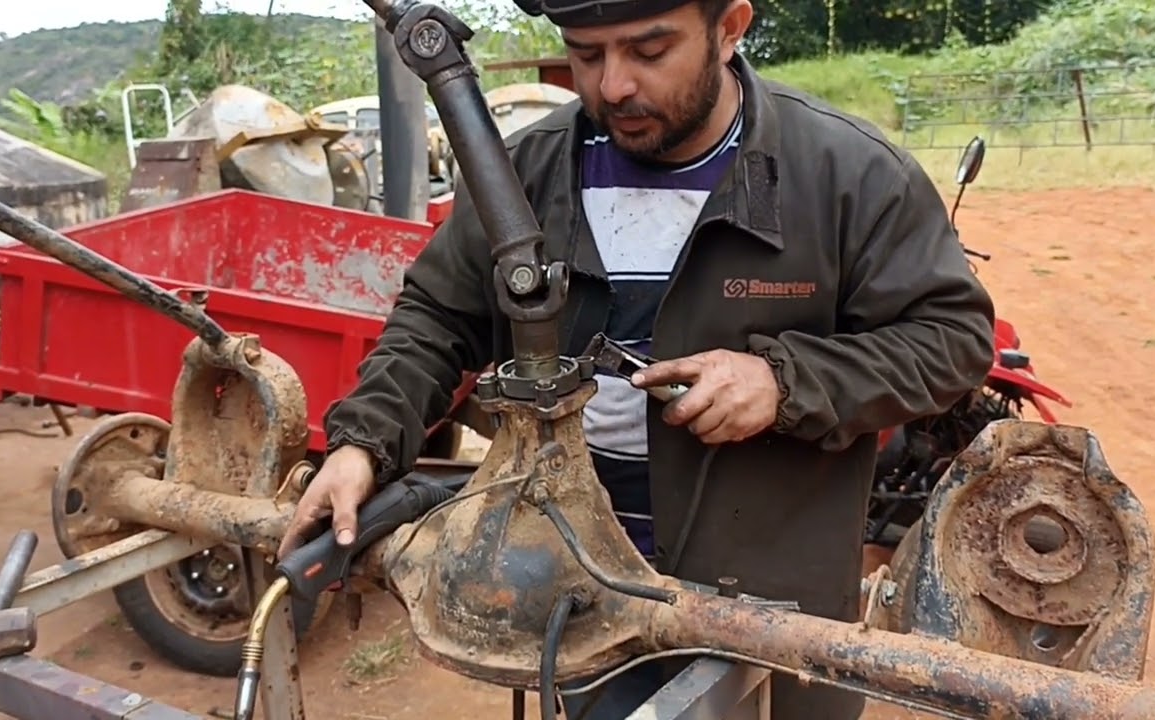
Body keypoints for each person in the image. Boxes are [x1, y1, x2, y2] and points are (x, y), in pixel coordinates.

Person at [278, 0, 997, 717]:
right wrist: (364, 442)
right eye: (587, 55)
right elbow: (437, 316)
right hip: (579, 595)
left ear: (730, 28)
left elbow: (952, 337)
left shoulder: (848, 175)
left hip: (778, 613)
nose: (613, 85)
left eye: (648, 51)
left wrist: (786, 381)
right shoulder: (523, 172)